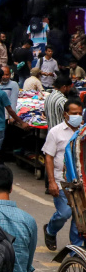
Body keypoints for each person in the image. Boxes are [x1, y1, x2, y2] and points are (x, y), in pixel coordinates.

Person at [43, 99, 84, 250]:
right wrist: (52, 182)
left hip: (80, 183)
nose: (77, 116)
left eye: (80, 113)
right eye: (74, 114)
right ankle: (50, 230)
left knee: (79, 217)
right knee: (64, 213)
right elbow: (49, 157)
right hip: (62, 182)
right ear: (65, 115)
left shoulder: (83, 131)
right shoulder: (55, 132)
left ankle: (76, 251)